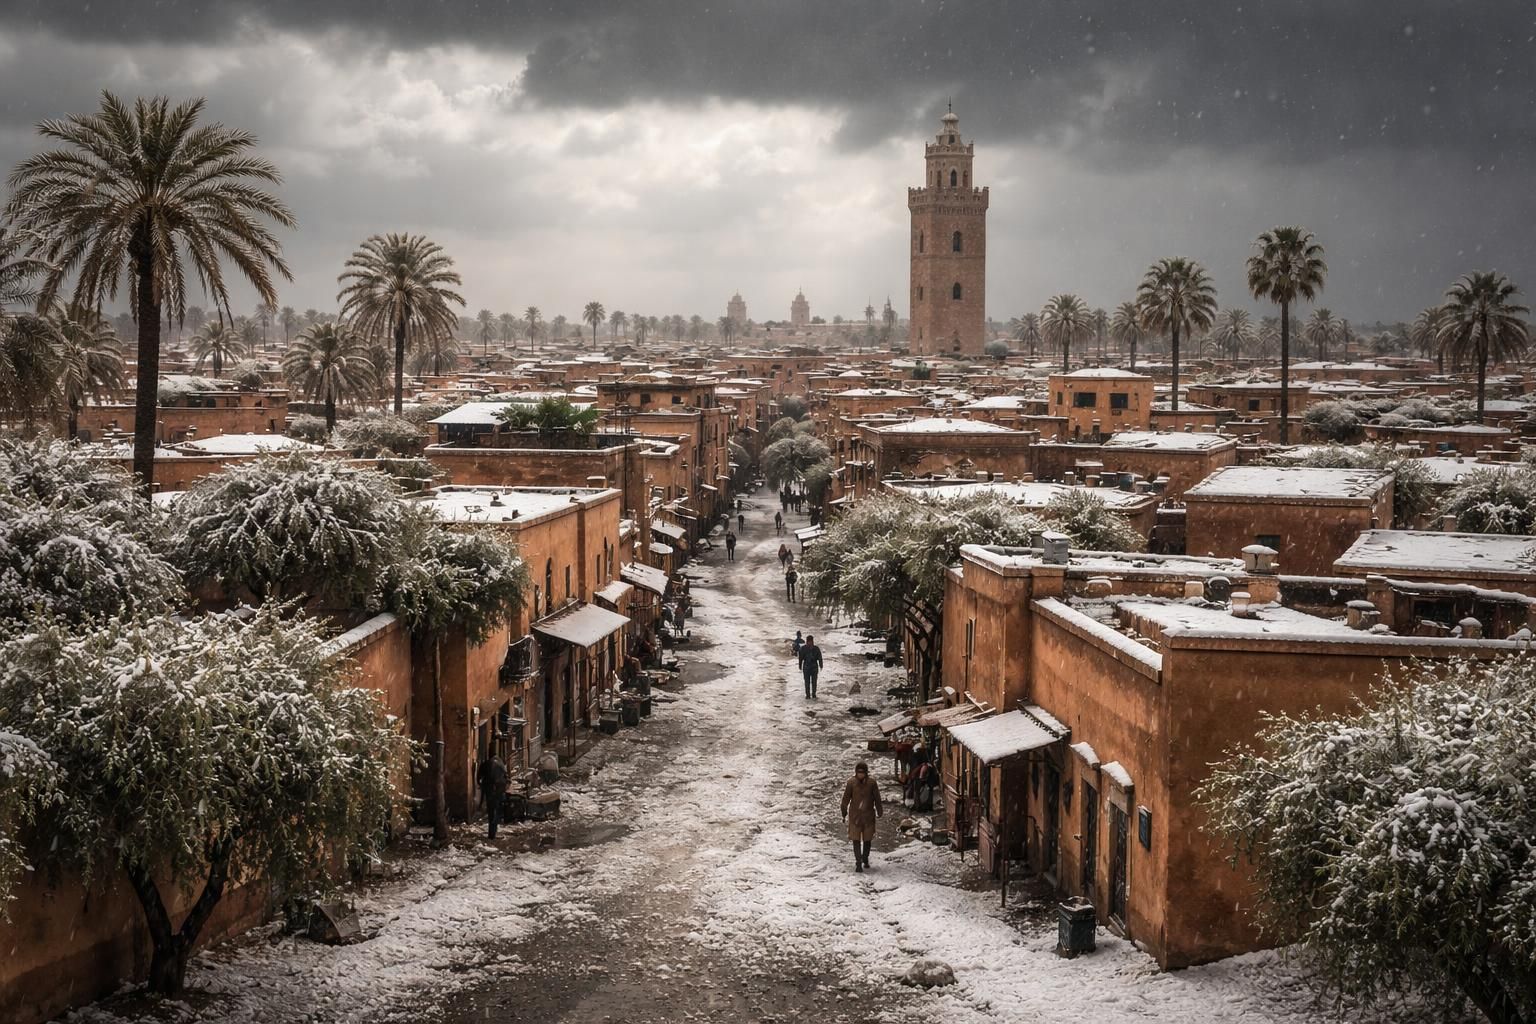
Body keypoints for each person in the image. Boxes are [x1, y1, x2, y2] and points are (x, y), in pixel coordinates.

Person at [841, 762, 883, 872]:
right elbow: (846, 799)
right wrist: (843, 811)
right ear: (856, 772)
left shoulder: (872, 783)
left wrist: (879, 810)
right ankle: (858, 862)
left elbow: (877, 798)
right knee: (855, 840)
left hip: (868, 816)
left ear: (866, 773)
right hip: (855, 817)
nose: (860, 775)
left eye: (862, 772)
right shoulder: (851, 783)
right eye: (859, 772)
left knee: (867, 840)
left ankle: (865, 857)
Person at [477, 753, 509, 840]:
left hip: (489, 790)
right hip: (498, 790)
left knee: (491, 811)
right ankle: (493, 833)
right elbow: (506, 777)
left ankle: (491, 834)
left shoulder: (485, 763)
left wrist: (482, 785)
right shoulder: (501, 764)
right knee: (497, 811)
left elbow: (479, 778)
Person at [798, 633, 822, 697]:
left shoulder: (816, 649)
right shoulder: (803, 649)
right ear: (807, 641)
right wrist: (800, 665)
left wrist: (821, 664)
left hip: (814, 667)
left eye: (811, 641)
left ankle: (814, 694)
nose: (810, 643)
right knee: (807, 682)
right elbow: (800, 658)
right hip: (806, 667)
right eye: (809, 641)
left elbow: (820, 657)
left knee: (814, 682)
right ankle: (808, 695)